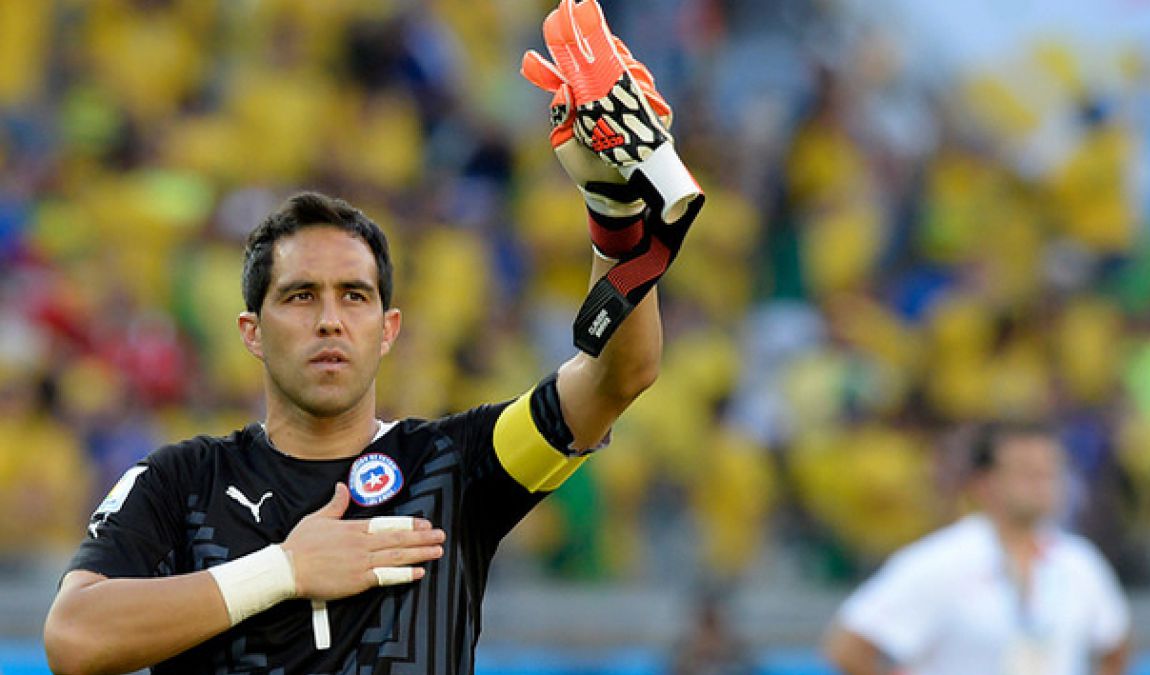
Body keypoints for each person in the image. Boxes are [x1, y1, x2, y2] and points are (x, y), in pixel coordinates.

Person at [42, 2, 704, 673]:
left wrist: (614, 214)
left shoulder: (449, 467)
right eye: (300, 296)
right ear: (252, 332)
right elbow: (74, 637)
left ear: (388, 330)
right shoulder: (182, 481)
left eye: (354, 296)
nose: (329, 318)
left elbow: (618, 377)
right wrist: (283, 570)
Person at [824, 422, 1131, 675]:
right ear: (985, 483)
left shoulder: (1079, 562)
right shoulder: (941, 560)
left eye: (1049, 471)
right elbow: (848, 646)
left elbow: (1115, 643)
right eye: (1025, 471)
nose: (1041, 483)